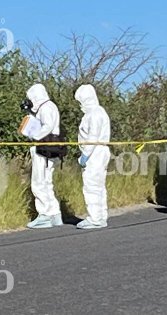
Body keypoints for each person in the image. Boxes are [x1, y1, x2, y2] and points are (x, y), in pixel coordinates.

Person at [24, 83, 63, 229]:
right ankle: (54, 214)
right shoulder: (49, 106)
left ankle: (44, 215)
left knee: (39, 182)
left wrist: (35, 136)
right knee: (47, 182)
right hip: (49, 150)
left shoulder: (46, 107)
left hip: (43, 149)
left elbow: (47, 126)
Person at [75, 84, 111, 229]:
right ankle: (101, 216)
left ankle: (95, 217)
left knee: (91, 185)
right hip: (99, 151)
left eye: (80, 101)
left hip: (95, 152)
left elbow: (92, 137)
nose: (80, 105)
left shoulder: (95, 114)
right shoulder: (98, 112)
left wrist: (85, 155)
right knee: (99, 186)